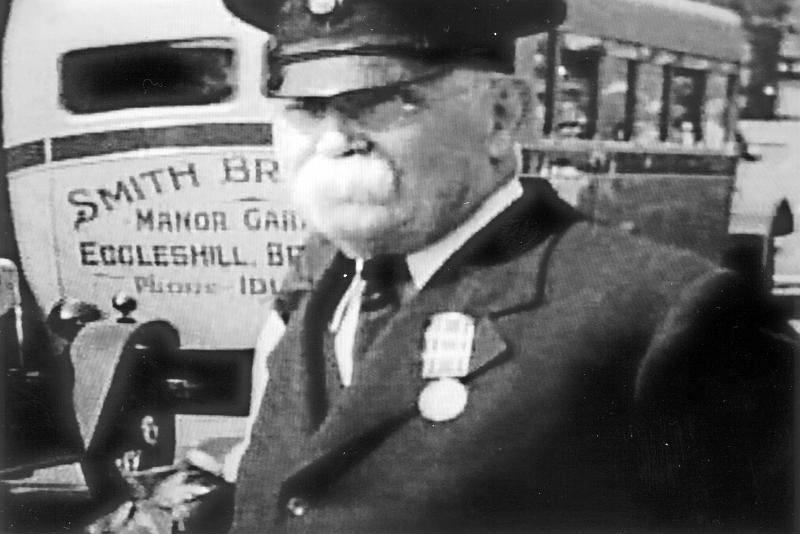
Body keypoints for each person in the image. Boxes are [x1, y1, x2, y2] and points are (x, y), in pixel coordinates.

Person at [222, 0, 795, 532]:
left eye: (380, 101)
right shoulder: (322, 289)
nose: (333, 140)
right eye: (305, 108)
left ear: (502, 116)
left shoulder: (669, 314)